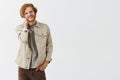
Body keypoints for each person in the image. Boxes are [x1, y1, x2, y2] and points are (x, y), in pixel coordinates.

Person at [15, 3, 53, 80]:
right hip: (23, 68)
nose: (29, 14)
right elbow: (24, 40)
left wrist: (46, 63)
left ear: (35, 12)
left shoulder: (44, 27)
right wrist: (25, 27)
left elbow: (50, 45)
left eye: (31, 11)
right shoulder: (19, 28)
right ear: (24, 16)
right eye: (26, 13)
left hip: (38, 68)